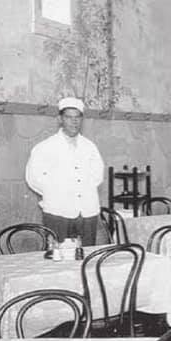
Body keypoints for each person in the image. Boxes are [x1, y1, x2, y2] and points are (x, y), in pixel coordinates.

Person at [24, 96, 105, 246]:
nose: (74, 122)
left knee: (86, 258)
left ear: (81, 120)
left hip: (87, 213)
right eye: (68, 117)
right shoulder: (45, 147)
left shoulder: (90, 147)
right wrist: (57, 191)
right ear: (60, 119)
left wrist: (82, 189)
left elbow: (97, 176)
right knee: (58, 258)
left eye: (77, 117)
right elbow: (34, 178)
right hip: (57, 213)